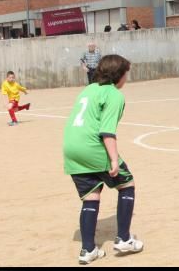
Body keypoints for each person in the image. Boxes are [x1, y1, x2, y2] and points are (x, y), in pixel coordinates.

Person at [63, 55, 143, 264]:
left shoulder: (89, 89)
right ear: (119, 75)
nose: (127, 76)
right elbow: (107, 131)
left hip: (71, 147)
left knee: (91, 196)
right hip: (92, 147)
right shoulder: (114, 94)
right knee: (127, 184)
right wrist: (114, 160)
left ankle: (88, 250)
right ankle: (124, 239)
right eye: (126, 72)